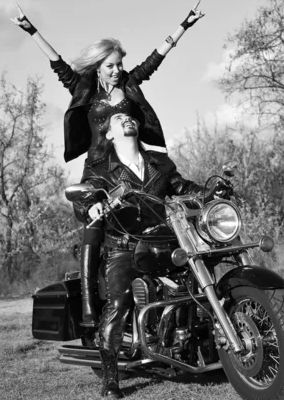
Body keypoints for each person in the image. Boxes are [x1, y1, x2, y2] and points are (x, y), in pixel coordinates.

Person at [11, 2, 205, 328]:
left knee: (162, 214)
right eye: (111, 66)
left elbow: (155, 60)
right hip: (99, 166)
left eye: (120, 65)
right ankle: (89, 308)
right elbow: (58, 63)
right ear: (98, 68)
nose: (117, 70)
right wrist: (31, 30)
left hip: (133, 159)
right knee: (94, 224)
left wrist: (184, 25)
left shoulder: (129, 84)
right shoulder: (83, 87)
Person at [72, 112, 204, 398]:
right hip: (124, 244)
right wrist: (90, 207)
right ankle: (110, 379)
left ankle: (178, 341)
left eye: (130, 117)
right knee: (118, 303)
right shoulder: (99, 168)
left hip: (163, 240)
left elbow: (182, 188)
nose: (127, 119)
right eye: (119, 119)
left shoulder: (160, 162)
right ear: (109, 134)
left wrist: (209, 191)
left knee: (195, 283)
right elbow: (87, 197)